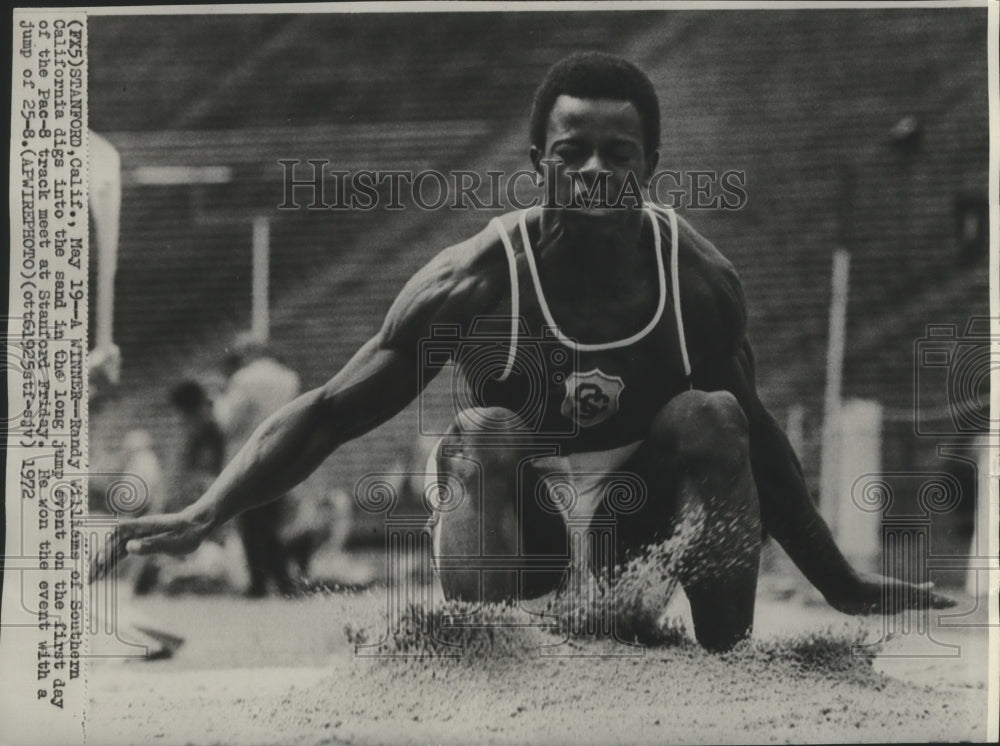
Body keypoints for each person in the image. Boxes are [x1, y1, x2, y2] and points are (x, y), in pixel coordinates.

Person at [92, 52, 953, 651]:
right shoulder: (474, 281)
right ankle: (485, 656)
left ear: (650, 165)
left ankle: (726, 659)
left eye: (618, 156)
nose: (593, 173)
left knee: (713, 413)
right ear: (537, 161)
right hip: (516, 527)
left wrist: (842, 582)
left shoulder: (697, 280)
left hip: (636, 528)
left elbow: (757, 443)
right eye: (571, 154)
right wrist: (204, 512)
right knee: (485, 428)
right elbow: (329, 413)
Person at [214, 334, 301, 597]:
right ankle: (283, 581)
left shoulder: (243, 380)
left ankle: (261, 583)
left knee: (252, 523)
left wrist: (218, 399)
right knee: (271, 522)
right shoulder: (289, 378)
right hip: (281, 454)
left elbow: (228, 423)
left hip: (248, 457)